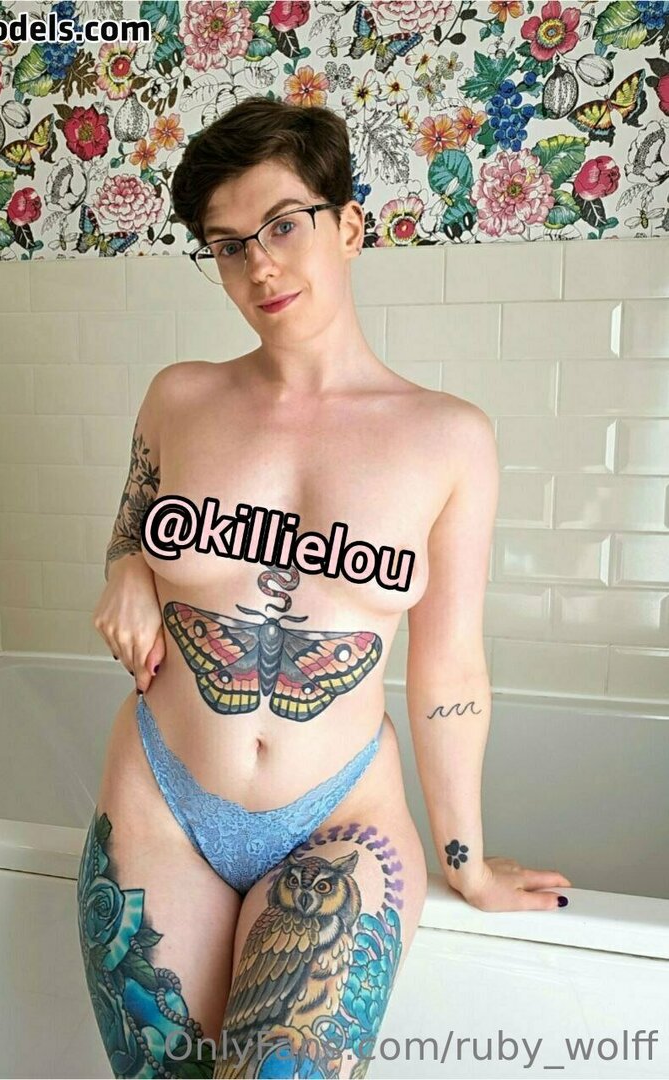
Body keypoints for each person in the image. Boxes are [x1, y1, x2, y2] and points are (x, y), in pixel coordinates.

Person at [77, 96, 571, 1080]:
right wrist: (125, 569)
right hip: (160, 799)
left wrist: (467, 860)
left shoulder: (448, 438)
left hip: (337, 817)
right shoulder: (178, 396)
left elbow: (448, 667)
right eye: (227, 246)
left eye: (282, 225)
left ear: (348, 225)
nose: (257, 265)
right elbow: (135, 530)